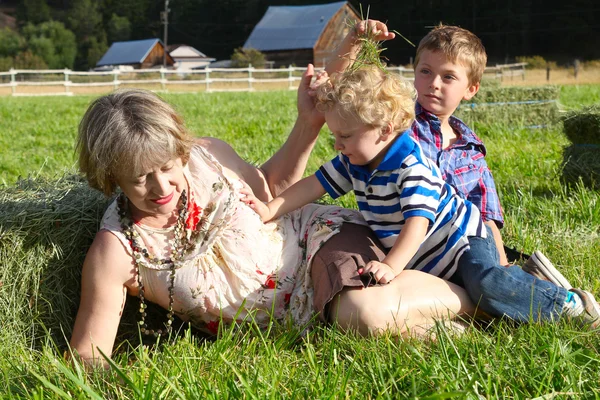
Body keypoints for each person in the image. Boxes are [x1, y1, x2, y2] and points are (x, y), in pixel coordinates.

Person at [69, 81, 477, 367]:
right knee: (393, 332)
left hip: (317, 240)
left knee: (363, 313)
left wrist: (307, 122)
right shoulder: (118, 250)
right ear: (110, 179)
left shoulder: (208, 155)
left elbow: (272, 194)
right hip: (289, 323)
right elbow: (88, 354)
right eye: (140, 177)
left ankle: (483, 298)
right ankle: (477, 322)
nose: (161, 187)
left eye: (166, 166)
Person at [240, 65, 600, 328]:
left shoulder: (411, 166)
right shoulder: (355, 159)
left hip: (462, 242)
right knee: (472, 303)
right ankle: (527, 283)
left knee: (485, 285)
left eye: (344, 136)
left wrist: (392, 266)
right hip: (429, 257)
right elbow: (314, 184)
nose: (337, 144)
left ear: (383, 130)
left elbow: (418, 223)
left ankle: (568, 303)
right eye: (335, 135)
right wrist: (270, 208)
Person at [323, 20, 572, 289]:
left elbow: (485, 216)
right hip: (401, 246)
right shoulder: (397, 121)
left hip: (456, 246)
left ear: (471, 89)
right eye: (426, 72)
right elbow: (341, 89)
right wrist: (355, 40)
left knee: (484, 281)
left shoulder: (472, 151)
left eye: (448, 77)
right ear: (414, 72)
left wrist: (502, 264)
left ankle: (521, 282)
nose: (434, 84)